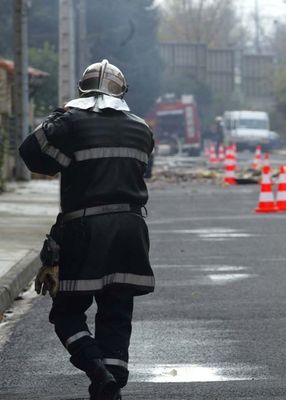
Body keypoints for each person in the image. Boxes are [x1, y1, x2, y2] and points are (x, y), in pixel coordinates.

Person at [19, 59, 155, 400]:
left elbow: (32, 155)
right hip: (131, 229)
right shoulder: (141, 128)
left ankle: (96, 368)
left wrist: (59, 116)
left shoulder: (72, 123)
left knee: (66, 311)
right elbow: (141, 168)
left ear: (82, 89)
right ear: (122, 92)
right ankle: (109, 383)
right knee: (116, 312)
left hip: (84, 229)